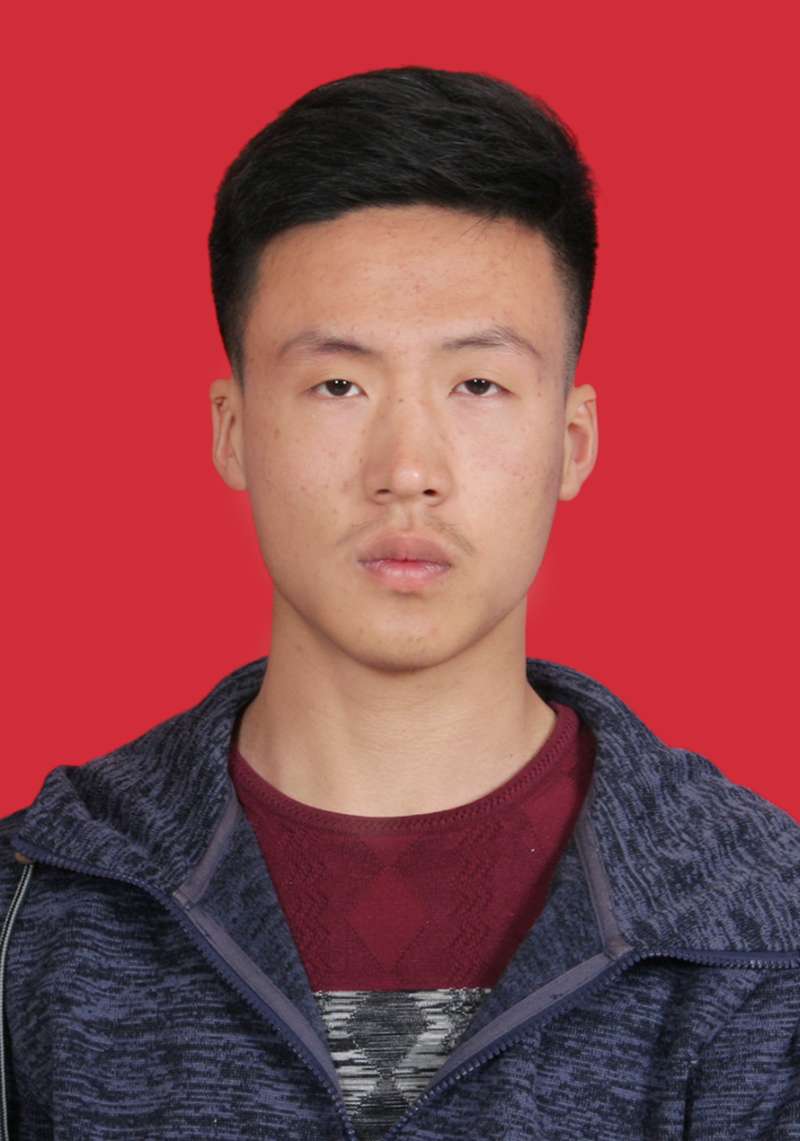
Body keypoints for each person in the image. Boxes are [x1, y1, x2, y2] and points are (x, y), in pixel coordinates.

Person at [1, 64, 798, 1141]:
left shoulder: (762, 930)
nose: (407, 469)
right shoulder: (33, 912)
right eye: (339, 385)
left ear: (571, 442)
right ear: (233, 430)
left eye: (478, 384)